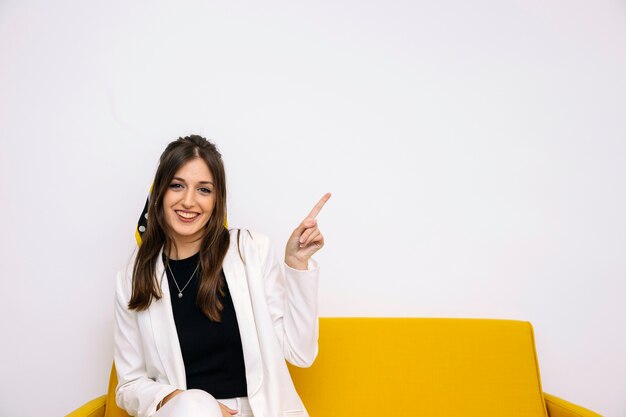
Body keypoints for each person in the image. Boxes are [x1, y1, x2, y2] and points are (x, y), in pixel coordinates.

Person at [113, 135, 330, 417]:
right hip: (183, 413)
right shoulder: (132, 278)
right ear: (160, 193)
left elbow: (300, 353)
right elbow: (128, 385)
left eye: (204, 190)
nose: (188, 201)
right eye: (177, 185)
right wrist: (181, 399)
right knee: (195, 406)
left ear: (217, 200)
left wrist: (297, 263)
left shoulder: (249, 250)